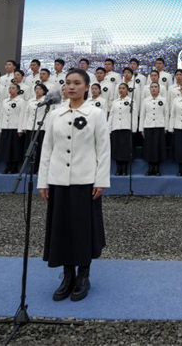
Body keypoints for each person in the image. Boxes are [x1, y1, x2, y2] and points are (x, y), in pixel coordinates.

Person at [38, 69, 110, 303]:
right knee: (62, 228)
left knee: (83, 229)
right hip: (58, 179)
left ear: (87, 87)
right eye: (68, 83)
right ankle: (67, 275)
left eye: (77, 83)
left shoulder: (96, 114)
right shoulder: (54, 114)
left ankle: (83, 275)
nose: (71, 87)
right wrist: (43, 181)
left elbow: (103, 150)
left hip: (85, 181)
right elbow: (47, 148)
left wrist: (101, 180)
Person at [108, 83, 139, 176]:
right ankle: (118, 168)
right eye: (120, 88)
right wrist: (109, 128)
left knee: (125, 149)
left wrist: (133, 128)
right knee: (117, 149)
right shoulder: (115, 102)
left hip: (126, 127)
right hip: (116, 127)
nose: (121, 90)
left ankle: (124, 169)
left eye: (123, 88)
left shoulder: (131, 101)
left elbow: (134, 115)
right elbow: (111, 115)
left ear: (127, 90)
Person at [23, 84, 53, 174]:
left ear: (44, 91)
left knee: (40, 149)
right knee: (31, 149)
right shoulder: (30, 100)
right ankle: (32, 167)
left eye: (39, 89)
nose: (37, 90)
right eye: (36, 88)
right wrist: (24, 126)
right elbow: (26, 113)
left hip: (41, 128)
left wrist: (47, 127)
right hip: (30, 127)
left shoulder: (47, 101)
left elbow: (49, 114)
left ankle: (39, 168)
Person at [139, 82, 168, 177]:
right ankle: (150, 168)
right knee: (149, 148)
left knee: (158, 148)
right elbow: (142, 115)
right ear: (149, 89)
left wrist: (166, 127)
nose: (154, 89)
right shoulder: (145, 100)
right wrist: (141, 129)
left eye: (156, 87)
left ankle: (157, 168)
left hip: (160, 126)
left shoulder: (163, 100)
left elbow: (166, 114)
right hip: (148, 126)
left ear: (159, 89)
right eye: (152, 87)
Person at [0, 84, 27, 174]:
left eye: (13, 88)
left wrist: (20, 129)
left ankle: (14, 167)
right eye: (9, 88)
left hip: (15, 127)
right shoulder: (4, 101)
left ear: (18, 90)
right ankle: (7, 166)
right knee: (6, 148)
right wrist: (0, 128)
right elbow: (2, 115)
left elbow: (22, 115)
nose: (11, 89)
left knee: (14, 148)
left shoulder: (21, 101)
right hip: (5, 126)